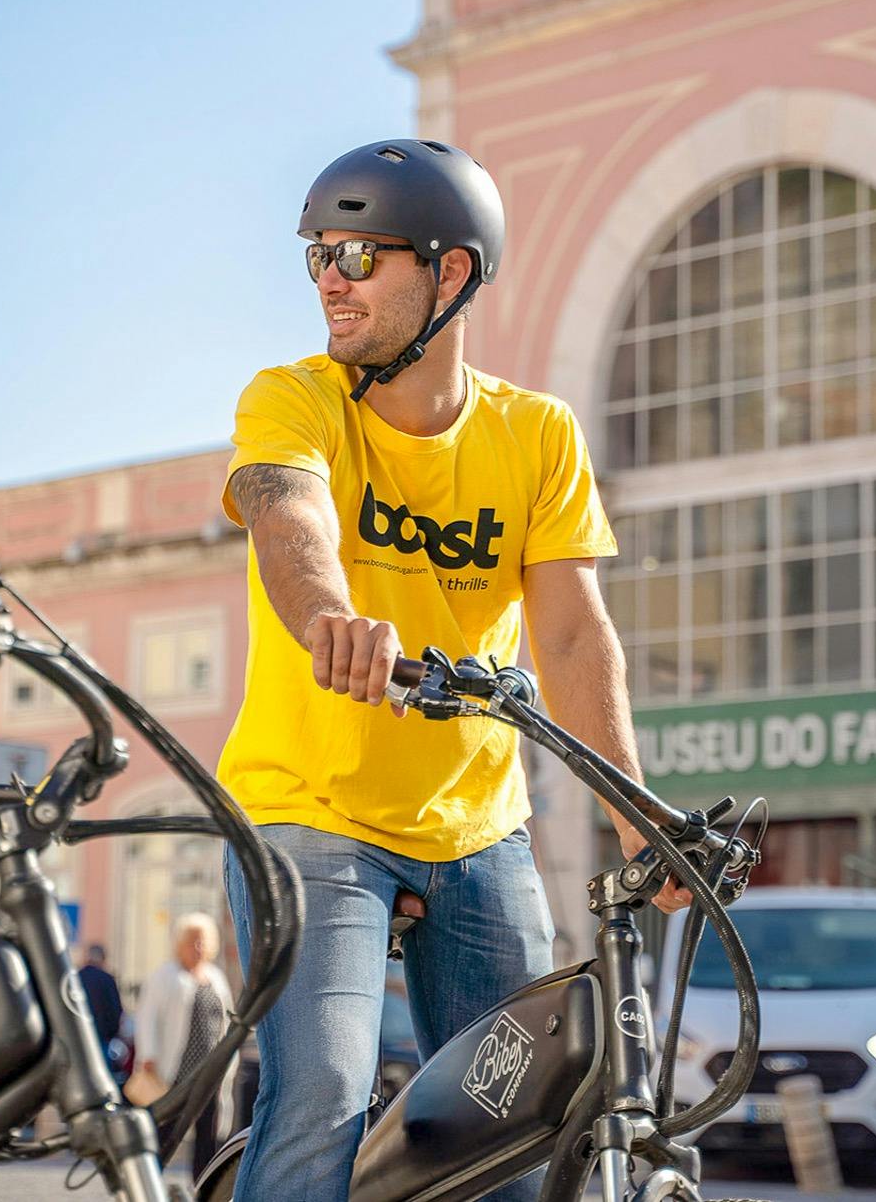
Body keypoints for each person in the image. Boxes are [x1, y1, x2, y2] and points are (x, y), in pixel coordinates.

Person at [216, 139, 676, 1202]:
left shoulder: (537, 433)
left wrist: (634, 815)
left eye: (358, 256)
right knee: (321, 1097)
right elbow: (289, 522)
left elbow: (572, 636)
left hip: (477, 826)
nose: (330, 280)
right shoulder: (292, 398)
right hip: (310, 813)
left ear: (451, 272)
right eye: (318, 256)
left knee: (518, 1127)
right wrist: (333, 618)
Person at [135, 914, 235, 1175]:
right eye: (192, 942)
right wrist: (148, 1055)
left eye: (202, 942)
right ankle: (148, 1181)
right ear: (179, 944)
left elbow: (226, 1018)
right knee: (166, 1131)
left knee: (208, 1134)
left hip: (210, 1072)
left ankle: (203, 1187)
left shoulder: (215, 977)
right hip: (175, 1072)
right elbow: (147, 1018)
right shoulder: (165, 976)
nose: (198, 948)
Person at [78, 943, 129, 1085]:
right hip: (102, 1036)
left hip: (79, 1035)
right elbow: (116, 1010)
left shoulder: (77, 977)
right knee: (103, 1076)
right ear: (103, 959)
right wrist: (114, 1032)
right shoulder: (107, 979)